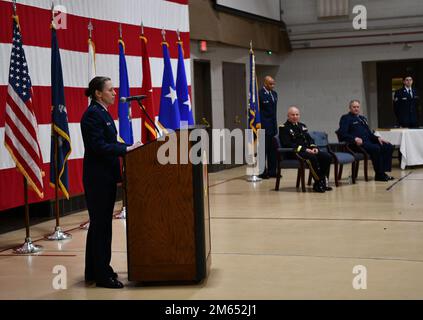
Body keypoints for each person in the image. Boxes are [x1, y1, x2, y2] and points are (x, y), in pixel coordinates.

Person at [81, 76, 140, 289]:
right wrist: (125, 150)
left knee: (99, 226)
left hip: (105, 177)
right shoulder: (92, 116)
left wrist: (130, 147)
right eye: (110, 89)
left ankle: (94, 270)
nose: (115, 93)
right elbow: (98, 146)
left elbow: (110, 143)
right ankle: (102, 276)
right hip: (97, 178)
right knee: (101, 227)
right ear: (98, 93)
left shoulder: (102, 113)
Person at [279, 106, 332, 193]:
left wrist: (313, 147)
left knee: (327, 157)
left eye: (297, 114)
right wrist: (305, 149)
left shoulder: (302, 126)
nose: (295, 116)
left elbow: (310, 139)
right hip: (295, 152)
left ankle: (320, 182)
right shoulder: (284, 127)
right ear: (288, 116)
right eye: (292, 115)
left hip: (308, 150)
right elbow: (287, 143)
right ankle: (319, 182)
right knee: (312, 158)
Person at [338, 100, 394, 182]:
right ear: (350, 108)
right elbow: (342, 133)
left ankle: (383, 172)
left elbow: (369, 133)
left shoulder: (362, 118)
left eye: (357, 107)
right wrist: (354, 139)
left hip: (368, 142)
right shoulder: (346, 118)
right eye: (354, 107)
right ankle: (379, 175)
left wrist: (378, 138)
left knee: (388, 146)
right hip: (356, 144)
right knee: (376, 148)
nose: (356, 109)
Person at [258, 76, 278, 178]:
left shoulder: (274, 94)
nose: (273, 86)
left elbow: (274, 112)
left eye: (273, 83)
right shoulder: (259, 94)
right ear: (265, 84)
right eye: (270, 84)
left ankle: (272, 171)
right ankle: (262, 172)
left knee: (272, 150)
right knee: (263, 150)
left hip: (272, 126)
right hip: (263, 126)